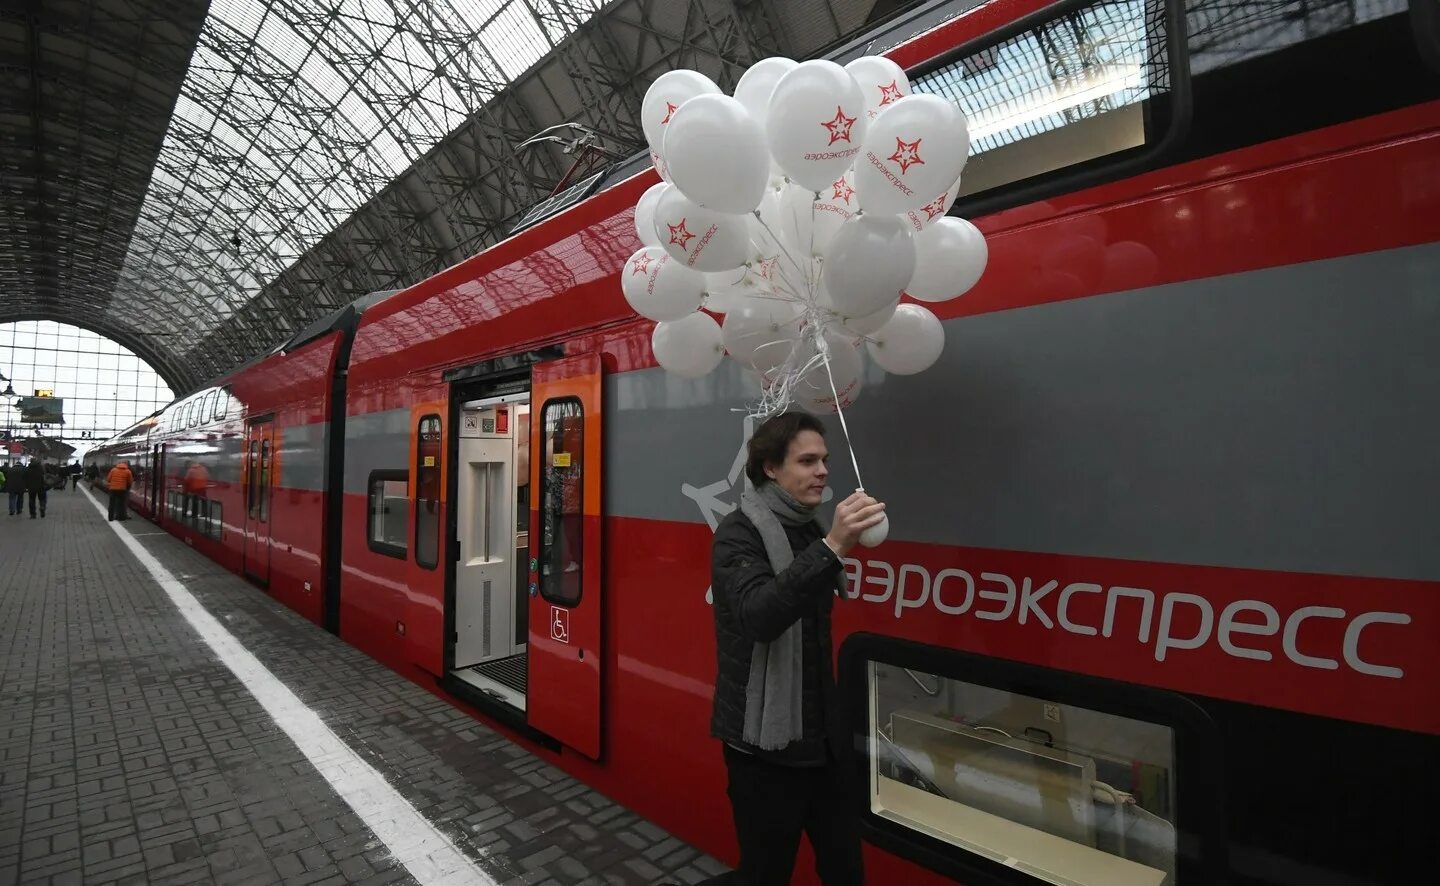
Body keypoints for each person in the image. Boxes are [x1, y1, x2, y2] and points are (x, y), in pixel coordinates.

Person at [702, 412, 885, 886]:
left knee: (846, 869)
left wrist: (828, 544)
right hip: (763, 753)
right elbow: (760, 616)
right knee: (767, 873)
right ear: (770, 468)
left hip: (823, 745)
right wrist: (833, 547)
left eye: (824, 459)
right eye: (807, 461)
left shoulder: (807, 528)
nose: (823, 470)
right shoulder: (738, 534)